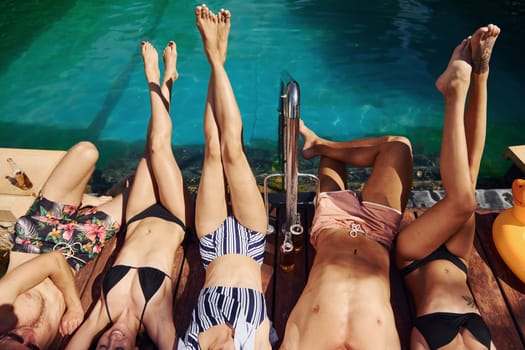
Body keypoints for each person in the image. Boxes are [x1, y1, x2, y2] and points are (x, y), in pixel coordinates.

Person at [66, 39, 194, 350]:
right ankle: (155, 77)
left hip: (137, 215)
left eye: (102, 349)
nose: (111, 342)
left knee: (152, 146)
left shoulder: (100, 315)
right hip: (176, 217)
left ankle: (168, 78)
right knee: (158, 147)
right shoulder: (157, 322)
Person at [395, 24, 500, 350]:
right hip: (458, 259)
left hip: (415, 258)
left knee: (464, 200)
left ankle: (454, 93)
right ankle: (480, 74)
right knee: (470, 174)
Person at [177, 5, 271, 349]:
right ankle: (216, 57)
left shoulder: (190, 346)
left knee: (213, 152)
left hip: (212, 244)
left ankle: (215, 57)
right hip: (252, 240)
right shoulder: (256, 344)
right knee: (234, 151)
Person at [279, 127, 413, 347]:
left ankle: (321, 145)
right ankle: (319, 144)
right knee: (398, 147)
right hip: (378, 229)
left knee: (331, 158)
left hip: (331, 222)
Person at [0, 141, 125, 349]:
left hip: (37, 237)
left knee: (86, 152)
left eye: (16, 337)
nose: (29, 335)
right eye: (33, 347)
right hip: (74, 253)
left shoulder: (2, 306)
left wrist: (75, 308)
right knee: (142, 191)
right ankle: (95, 201)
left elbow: (53, 260)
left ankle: (89, 200)